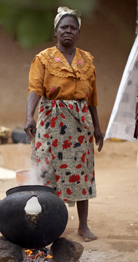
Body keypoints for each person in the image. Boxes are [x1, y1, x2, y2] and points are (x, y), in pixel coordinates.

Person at [24, 7, 103, 242]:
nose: (68, 31)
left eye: (73, 28)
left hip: (80, 124)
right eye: (64, 27)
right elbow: (35, 89)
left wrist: (97, 127)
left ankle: (83, 226)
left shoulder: (87, 60)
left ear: (78, 33)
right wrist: (30, 116)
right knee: (48, 171)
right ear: (56, 31)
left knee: (81, 173)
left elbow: (92, 98)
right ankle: (50, 224)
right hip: (51, 121)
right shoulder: (44, 58)